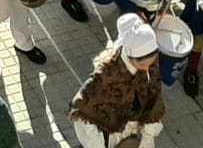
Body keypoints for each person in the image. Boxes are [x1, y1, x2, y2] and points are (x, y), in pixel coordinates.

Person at [70, 12, 166, 148]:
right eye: (142, 65)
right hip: (104, 138)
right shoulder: (106, 76)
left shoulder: (149, 67)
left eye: (150, 64)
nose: (146, 69)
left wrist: (148, 137)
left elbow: (153, 100)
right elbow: (83, 114)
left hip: (131, 133)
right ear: (131, 57)